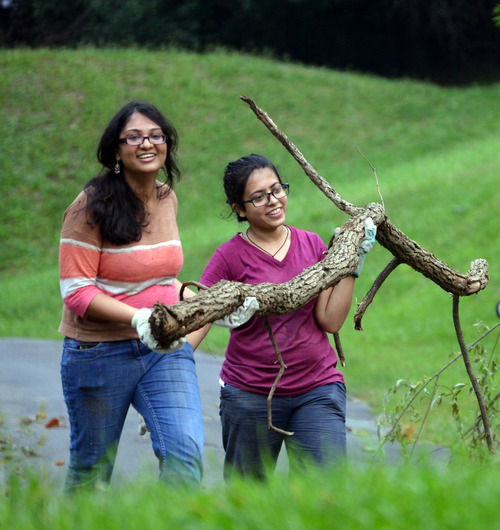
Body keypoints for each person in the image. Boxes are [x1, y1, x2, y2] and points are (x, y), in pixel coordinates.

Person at [58, 100, 208, 491]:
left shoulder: (166, 198)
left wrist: (202, 303)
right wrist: (135, 317)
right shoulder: (89, 206)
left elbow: (160, 278)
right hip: (97, 353)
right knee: (91, 473)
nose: (147, 143)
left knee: (185, 453)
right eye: (134, 136)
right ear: (116, 151)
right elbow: (76, 292)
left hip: (162, 349)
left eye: (156, 135)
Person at [199, 153, 376, 480]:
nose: (273, 201)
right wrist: (174, 352)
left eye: (277, 189)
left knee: (325, 493)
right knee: (247, 498)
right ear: (239, 209)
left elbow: (330, 321)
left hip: (316, 389)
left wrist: (351, 264)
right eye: (258, 197)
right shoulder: (229, 257)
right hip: (250, 396)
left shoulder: (310, 243)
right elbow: (200, 311)